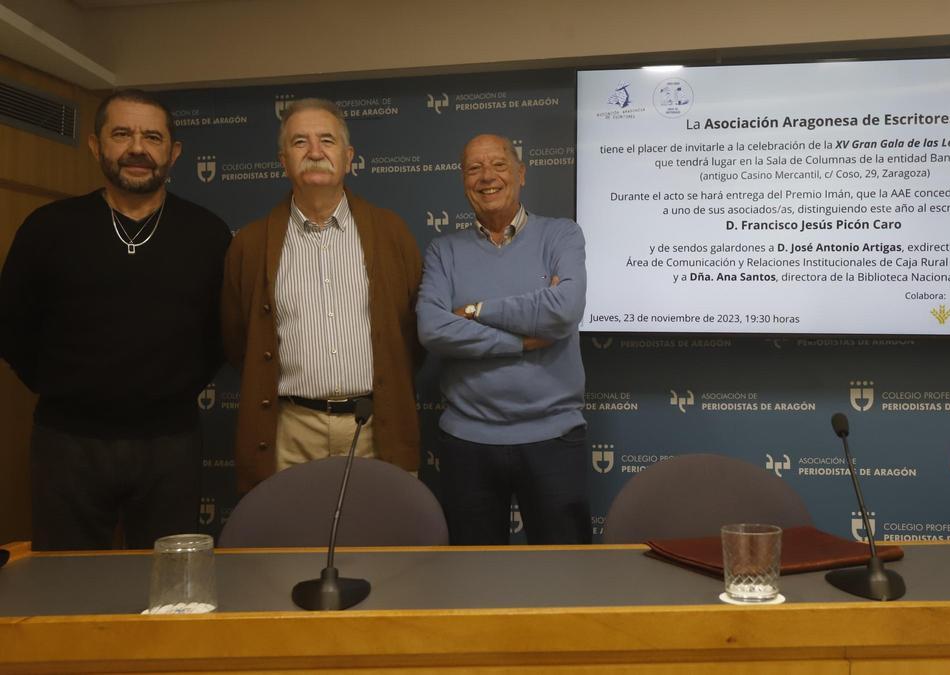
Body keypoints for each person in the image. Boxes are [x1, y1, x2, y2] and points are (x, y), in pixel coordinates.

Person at [0, 89, 231, 550]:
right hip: (68, 441)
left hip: (171, 441)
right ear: (95, 145)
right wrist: (69, 387)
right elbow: (12, 327)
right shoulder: (49, 227)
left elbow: (223, 334)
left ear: (174, 152)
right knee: (66, 584)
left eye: (152, 136)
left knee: (169, 591)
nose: (137, 149)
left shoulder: (207, 233)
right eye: (122, 134)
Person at [221, 98, 422, 494]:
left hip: (374, 429)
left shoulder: (391, 232)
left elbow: (414, 332)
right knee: (289, 550)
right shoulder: (250, 243)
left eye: (326, 141)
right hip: (289, 434)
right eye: (300, 142)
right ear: (283, 161)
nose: (315, 152)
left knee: (380, 548)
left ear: (348, 158)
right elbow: (236, 341)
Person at [416, 133, 589, 545]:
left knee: (566, 579)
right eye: (474, 168)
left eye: (498, 165)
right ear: (463, 180)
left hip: (554, 438)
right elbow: (433, 328)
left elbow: (563, 310)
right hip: (468, 442)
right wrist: (519, 340)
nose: (486, 177)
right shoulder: (444, 251)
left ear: (521, 174)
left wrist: (476, 311)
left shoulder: (561, 236)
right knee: (474, 583)